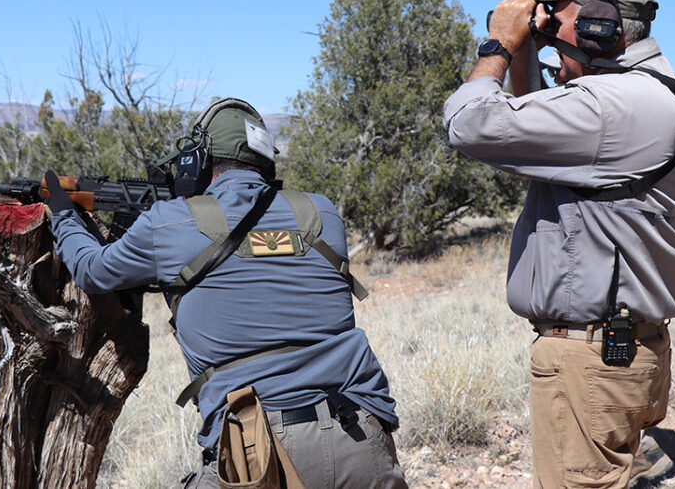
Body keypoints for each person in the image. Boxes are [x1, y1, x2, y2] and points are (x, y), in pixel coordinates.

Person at [46, 97, 408, 488]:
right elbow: (263, 255)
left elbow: (92, 270)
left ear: (198, 162)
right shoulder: (322, 213)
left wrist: (64, 215)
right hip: (360, 434)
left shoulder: (168, 223)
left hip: (255, 450)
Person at [443, 0, 675, 488]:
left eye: (556, 16)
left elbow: (469, 124)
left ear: (597, 27)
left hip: (591, 361)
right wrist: (531, 55)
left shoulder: (611, 105)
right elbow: (540, 122)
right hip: (622, 350)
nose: (543, 24)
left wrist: (498, 45)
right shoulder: (650, 89)